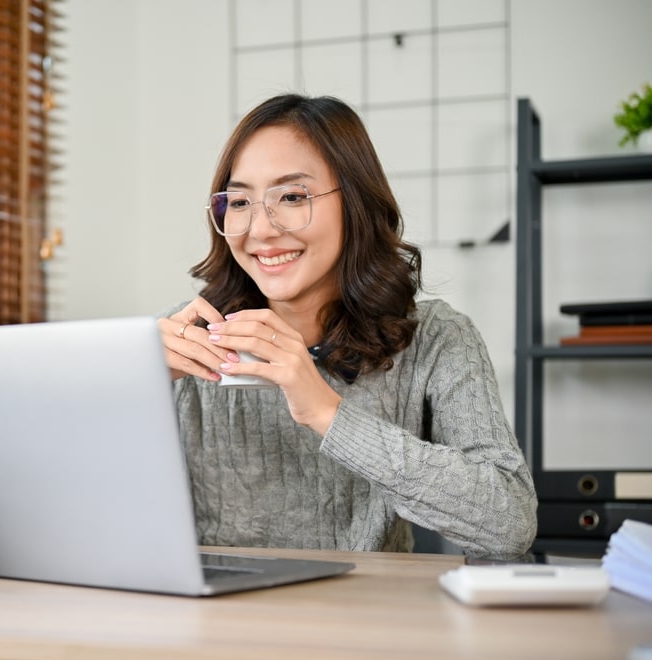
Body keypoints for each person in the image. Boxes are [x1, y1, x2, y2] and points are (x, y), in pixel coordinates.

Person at [158, 93, 537, 559]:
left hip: (370, 619)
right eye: (239, 202)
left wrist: (327, 412)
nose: (260, 230)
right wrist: (128, 392)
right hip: (218, 622)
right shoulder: (188, 336)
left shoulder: (437, 338)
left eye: (292, 196)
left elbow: (511, 523)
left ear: (354, 201)